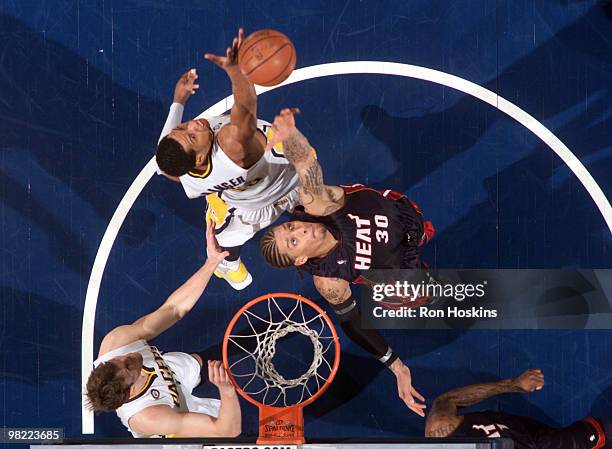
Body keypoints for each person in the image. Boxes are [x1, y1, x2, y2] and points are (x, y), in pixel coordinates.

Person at [259, 108, 435, 417]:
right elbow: (352, 322)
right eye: (294, 240)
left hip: (403, 216)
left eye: (289, 228)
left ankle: (417, 244)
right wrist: (397, 367)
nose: (299, 228)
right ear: (300, 258)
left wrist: (289, 137)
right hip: (396, 261)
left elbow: (305, 164)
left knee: (421, 232)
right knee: (414, 297)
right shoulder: (329, 280)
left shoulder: (317, 204)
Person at [155, 28, 299, 290]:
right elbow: (246, 106)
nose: (194, 125)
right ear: (199, 159)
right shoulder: (232, 147)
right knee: (227, 239)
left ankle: (219, 203)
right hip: (250, 207)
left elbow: (163, 166)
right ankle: (227, 266)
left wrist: (178, 102)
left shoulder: (179, 163)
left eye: (183, 128)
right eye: (192, 137)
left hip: (281, 174)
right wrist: (236, 70)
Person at [85, 221, 241, 438]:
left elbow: (173, 310)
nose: (129, 355)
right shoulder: (148, 417)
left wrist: (211, 262)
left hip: (174, 373)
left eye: (117, 360)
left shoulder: (116, 343)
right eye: (129, 365)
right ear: (130, 387)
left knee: (216, 353)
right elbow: (227, 429)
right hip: (178, 419)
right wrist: (227, 392)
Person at [425, 368, 610, 448]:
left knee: (600, 433)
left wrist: (514, 385)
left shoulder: (440, 432)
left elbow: (448, 399)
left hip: (518, 429)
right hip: (535, 443)